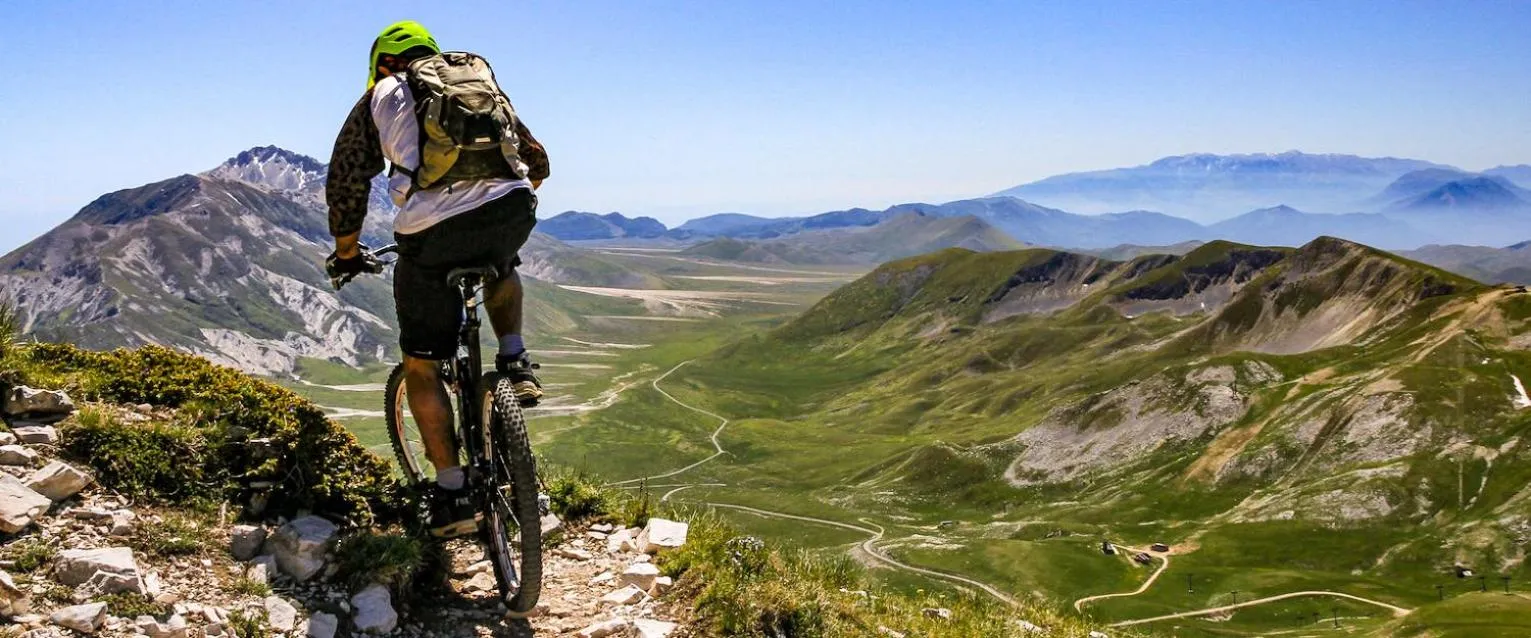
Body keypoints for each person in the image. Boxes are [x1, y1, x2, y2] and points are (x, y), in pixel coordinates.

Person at [323, 20, 549, 538]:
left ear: (380, 63)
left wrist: (347, 251)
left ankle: (452, 492)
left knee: (421, 367)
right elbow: (537, 162)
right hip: (512, 210)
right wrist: (497, 202)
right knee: (502, 264)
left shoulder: (379, 96)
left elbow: (348, 180)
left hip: (431, 234)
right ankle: (514, 358)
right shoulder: (478, 87)